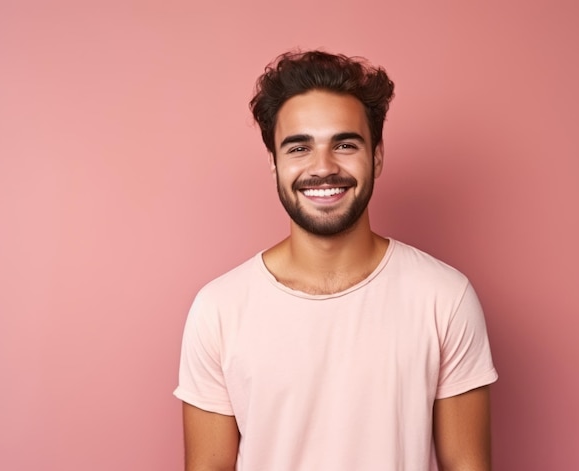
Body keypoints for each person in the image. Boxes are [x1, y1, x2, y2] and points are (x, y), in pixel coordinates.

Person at [174, 50, 498, 471]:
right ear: (274, 164)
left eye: (344, 144)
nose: (323, 167)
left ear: (377, 156)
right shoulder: (218, 310)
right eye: (298, 147)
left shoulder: (445, 298)